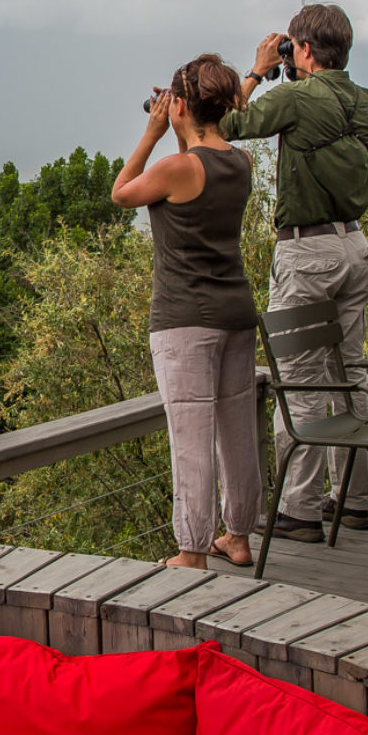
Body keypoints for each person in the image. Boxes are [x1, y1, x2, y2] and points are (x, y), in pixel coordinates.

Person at [221, 3, 368, 542]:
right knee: (351, 373)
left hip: (308, 252)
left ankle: (300, 510)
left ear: (304, 49)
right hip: (355, 245)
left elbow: (227, 123)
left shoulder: (295, 95)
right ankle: (353, 502)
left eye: (292, 46)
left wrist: (261, 69)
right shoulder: (364, 100)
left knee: (300, 382)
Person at [113, 53, 261, 569]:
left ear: (177, 105)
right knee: (238, 428)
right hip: (237, 312)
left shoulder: (174, 167)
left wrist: (153, 132)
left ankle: (192, 551)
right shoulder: (240, 162)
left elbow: (121, 192)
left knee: (191, 435)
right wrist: (179, 126)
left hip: (184, 321)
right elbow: (197, 165)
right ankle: (238, 536)